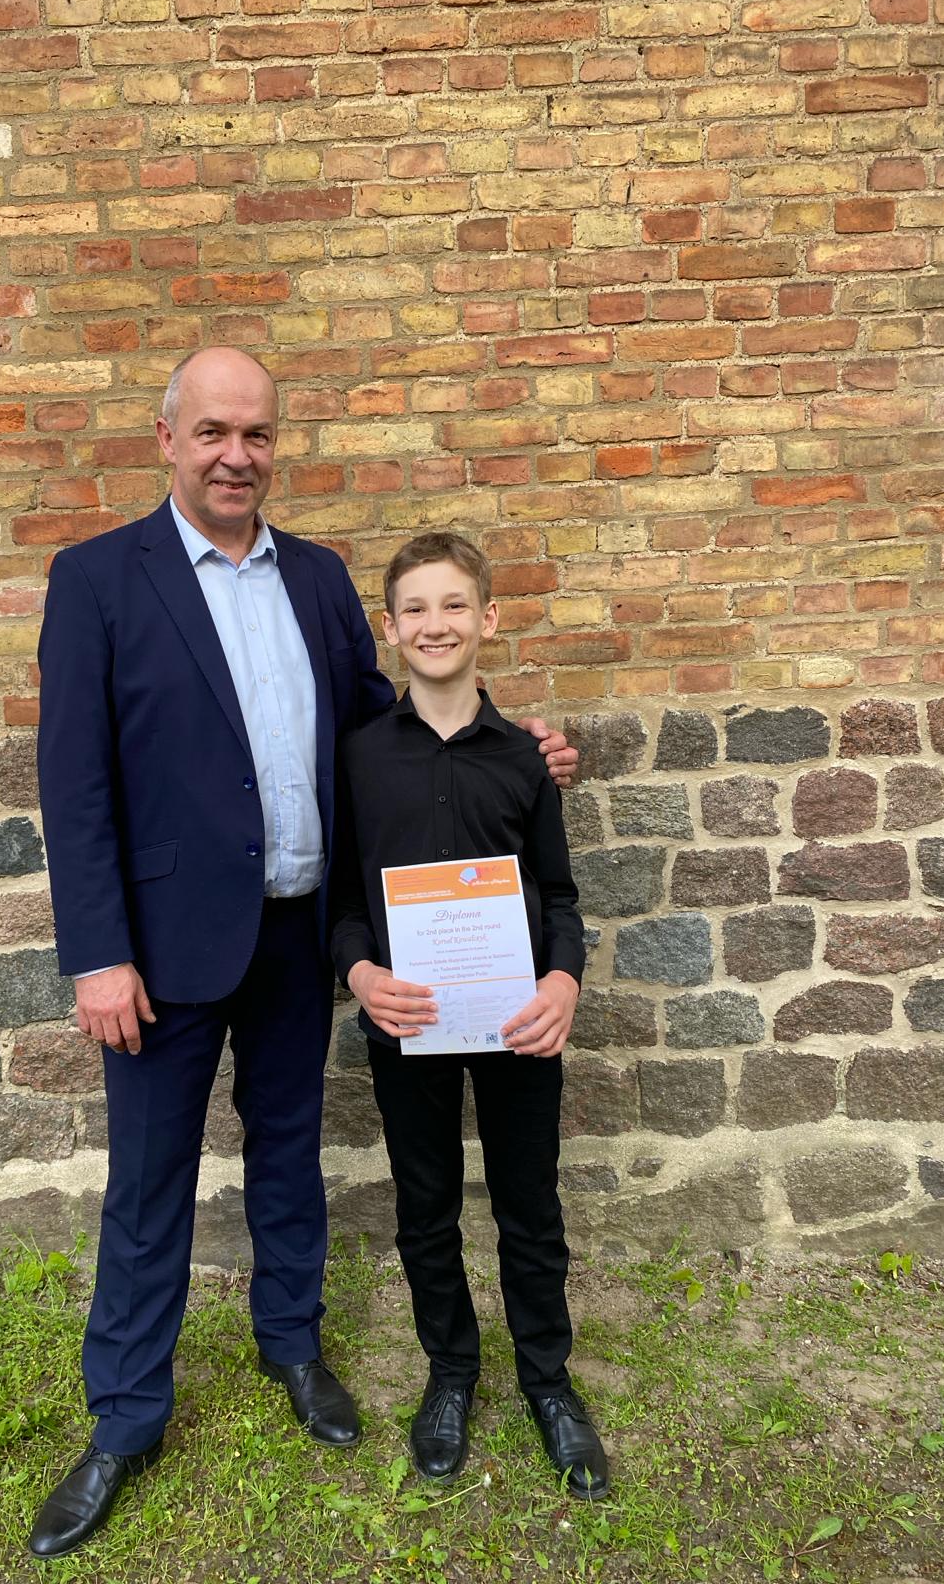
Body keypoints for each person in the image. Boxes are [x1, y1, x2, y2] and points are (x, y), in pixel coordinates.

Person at [30, 347, 581, 1558]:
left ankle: (292, 1345)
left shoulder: (321, 577)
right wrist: (97, 954)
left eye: (258, 435)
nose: (238, 456)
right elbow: (73, 781)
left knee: (290, 1157)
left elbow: (386, 723)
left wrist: (513, 742)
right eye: (213, 432)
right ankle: (126, 1417)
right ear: (168, 439)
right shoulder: (98, 579)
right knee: (149, 1182)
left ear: (276, 445)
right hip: (161, 949)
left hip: (296, 932)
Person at [331, 531, 609, 1499]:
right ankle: (450, 1373)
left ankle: (548, 1382)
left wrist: (563, 982)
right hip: (406, 1022)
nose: (435, 624)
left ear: (488, 617)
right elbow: (343, 903)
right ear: (390, 627)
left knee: (531, 1208)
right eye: (415, 608)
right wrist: (360, 973)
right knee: (427, 1208)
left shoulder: (527, 758)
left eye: (455, 604)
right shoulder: (360, 758)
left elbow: (560, 896)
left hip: (517, 1022)